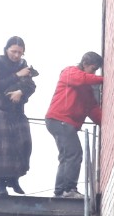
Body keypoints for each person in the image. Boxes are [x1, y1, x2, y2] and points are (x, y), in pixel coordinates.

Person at [0, 36, 38, 195]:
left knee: (22, 143)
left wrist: (21, 92)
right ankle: (1, 185)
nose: (16, 55)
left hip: (16, 111)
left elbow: (31, 86)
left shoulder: (23, 64)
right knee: (2, 148)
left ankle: (14, 180)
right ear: (6, 49)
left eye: (20, 52)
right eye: (13, 51)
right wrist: (18, 75)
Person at [44, 52, 104, 198]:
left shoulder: (86, 88)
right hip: (60, 119)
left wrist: (106, 122)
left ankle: (60, 191)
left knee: (67, 155)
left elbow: (92, 108)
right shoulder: (70, 72)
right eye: (93, 69)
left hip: (62, 122)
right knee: (74, 153)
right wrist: (105, 80)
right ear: (84, 64)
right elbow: (82, 78)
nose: (94, 73)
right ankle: (69, 189)